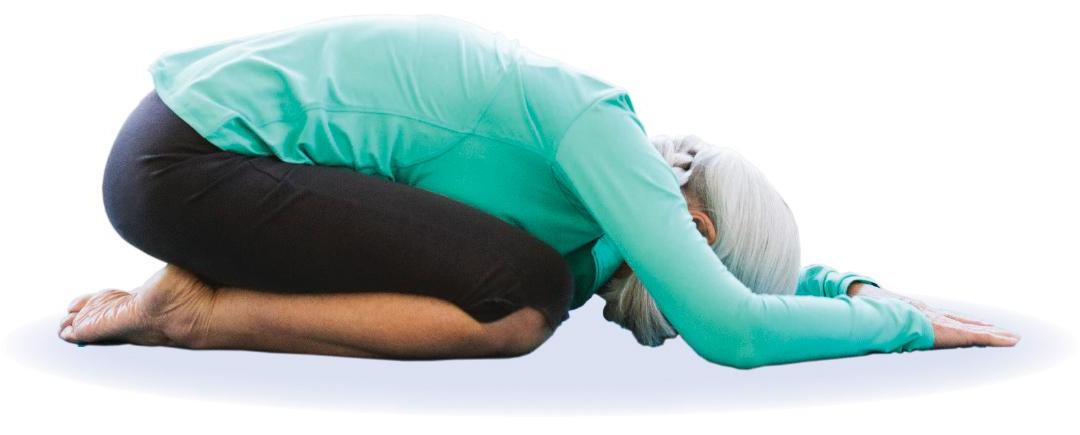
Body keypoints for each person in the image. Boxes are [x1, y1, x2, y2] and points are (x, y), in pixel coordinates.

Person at [58, 14, 1018, 368]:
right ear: (691, 223)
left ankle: (193, 301)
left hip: (194, 163)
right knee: (526, 298)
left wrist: (848, 289)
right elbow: (740, 328)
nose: (675, 317)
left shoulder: (602, 196)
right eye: (690, 273)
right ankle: (191, 316)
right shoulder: (605, 135)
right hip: (185, 165)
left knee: (534, 280)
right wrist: (906, 330)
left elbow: (742, 286)